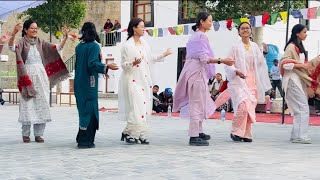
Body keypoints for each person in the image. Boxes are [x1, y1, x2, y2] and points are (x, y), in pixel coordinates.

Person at [173, 12, 234, 146]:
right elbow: (204, 58)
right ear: (202, 21)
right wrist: (222, 60)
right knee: (196, 103)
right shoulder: (200, 36)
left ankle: (199, 131)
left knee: (200, 102)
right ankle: (194, 135)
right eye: (210, 21)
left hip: (197, 72)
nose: (211, 23)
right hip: (196, 73)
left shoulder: (196, 36)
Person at [9, 20, 70, 143]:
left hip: (41, 76)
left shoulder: (41, 42)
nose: (35, 30)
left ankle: (39, 134)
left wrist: (66, 37)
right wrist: (14, 32)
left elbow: (56, 48)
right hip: (27, 75)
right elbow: (11, 47)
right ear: (25, 30)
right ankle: (25, 134)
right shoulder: (21, 42)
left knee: (42, 103)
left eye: (36, 28)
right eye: (32, 28)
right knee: (27, 103)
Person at [118, 17, 172, 144]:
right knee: (137, 107)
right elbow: (124, 64)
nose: (144, 29)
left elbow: (150, 58)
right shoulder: (127, 46)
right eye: (141, 26)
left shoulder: (144, 44)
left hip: (144, 80)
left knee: (145, 107)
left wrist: (164, 54)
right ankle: (132, 133)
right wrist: (132, 62)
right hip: (132, 80)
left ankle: (136, 133)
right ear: (134, 29)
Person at [74, 22, 119, 148]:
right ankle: (86, 140)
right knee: (91, 110)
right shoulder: (94, 46)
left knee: (82, 110)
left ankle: (81, 137)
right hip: (90, 82)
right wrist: (106, 66)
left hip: (79, 82)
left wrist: (104, 70)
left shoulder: (79, 46)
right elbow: (92, 63)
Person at [225, 22, 271, 142]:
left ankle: (245, 133)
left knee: (250, 107)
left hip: (252, 80)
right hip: (238, 80)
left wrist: (264, 54)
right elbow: (228, 63)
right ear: (239, 31)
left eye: (247, 28)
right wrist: (235, 71)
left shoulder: (255, 46)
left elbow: (261, 63)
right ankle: (235, 131)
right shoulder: (234, 47)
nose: (245, 30)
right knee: (243, 106)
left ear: (251, 30)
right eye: (242, 28)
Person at [280, 24, 320, 144]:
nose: (306, 34)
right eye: (304, 32)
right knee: (302, 107)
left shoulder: (299, 46)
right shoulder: (291, 47)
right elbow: (285, 63)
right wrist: (303, 65)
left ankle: (296, 135)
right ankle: (301, 136)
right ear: (297, 33)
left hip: (298, 79)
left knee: (300, 108)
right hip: (292, 80)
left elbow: (305, 65)